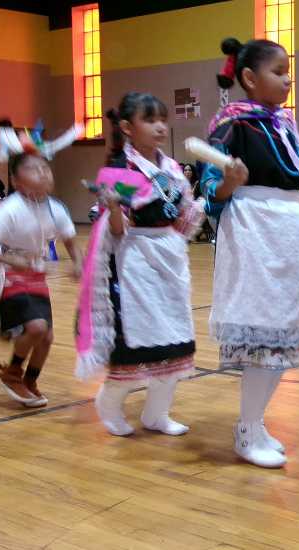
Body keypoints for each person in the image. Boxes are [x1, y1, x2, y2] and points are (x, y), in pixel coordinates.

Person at [204, 37, 299, 468]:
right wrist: (230, 182)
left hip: (288, 233)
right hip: (254, 232)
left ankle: (256, 420)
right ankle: (246, 429)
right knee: (263, 336)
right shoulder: (231, 124)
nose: (288, 80)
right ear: (249, 78)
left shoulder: (284, 124)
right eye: (279, 72)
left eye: (289, 72)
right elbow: (213, 191)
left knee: (283, 335)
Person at [76, 92, 206, 436]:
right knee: (138, 340)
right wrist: (115, 206)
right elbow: (115, 229)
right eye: (150, 120)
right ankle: (109, 404)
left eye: (162, 118)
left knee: (174, 336)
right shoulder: (120, 170)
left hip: (170, 257)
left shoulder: (172, 167)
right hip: (135, 260)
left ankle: (156, 413)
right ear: (127, 127)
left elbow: (184, 216)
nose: (160, 126)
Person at [0, 122, 81, 408]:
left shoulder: (56, 207)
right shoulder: (11, 208)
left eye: (45, 168)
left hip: (36, 275)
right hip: (9, 275)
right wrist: (9, 259)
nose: (42, 173)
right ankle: (12, 372)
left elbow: (70, 239)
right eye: (33, 169)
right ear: (17, 182)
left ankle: (29, 379)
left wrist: (78, 263)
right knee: (36, 327)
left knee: (47, 337)